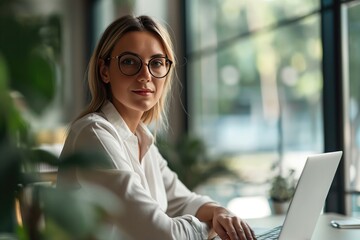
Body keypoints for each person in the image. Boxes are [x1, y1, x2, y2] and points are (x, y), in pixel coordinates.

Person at [58, 15, 256, 240]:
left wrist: (221, 212)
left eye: (156, 62)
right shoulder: (94, 135)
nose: (145, 76)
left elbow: (183, 200)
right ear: (105, 70)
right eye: (129, 62)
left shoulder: (142, 139)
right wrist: (211, 225)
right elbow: (162, 235)